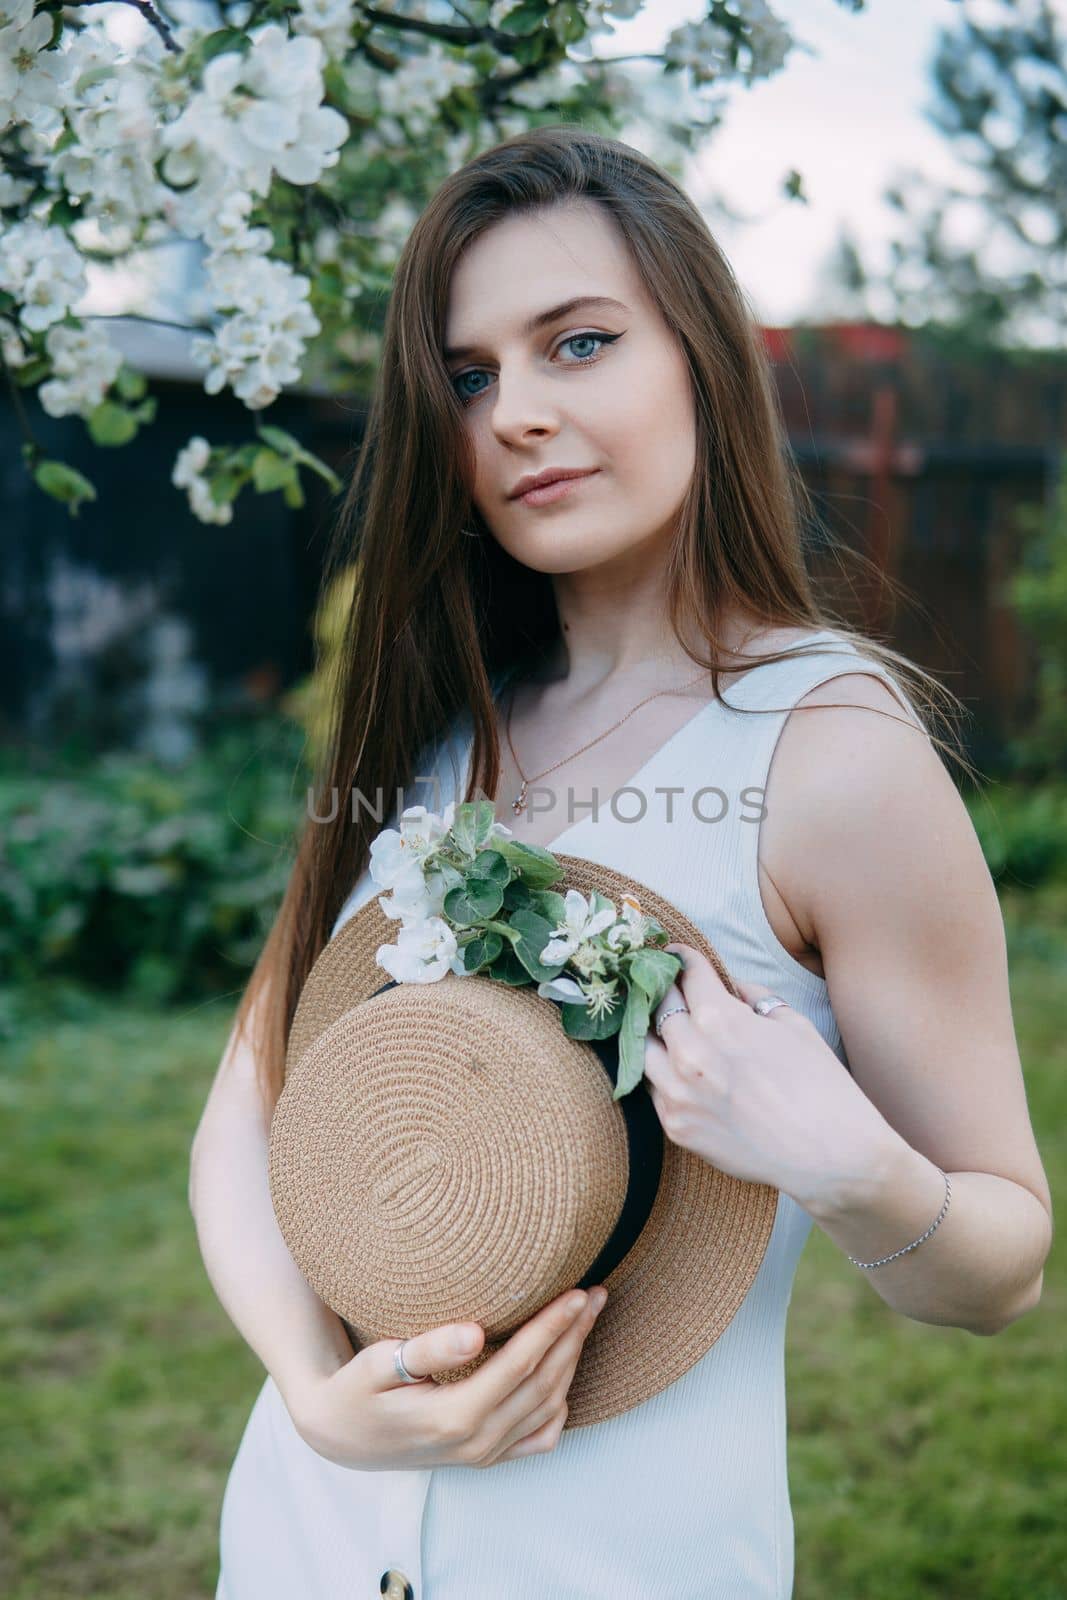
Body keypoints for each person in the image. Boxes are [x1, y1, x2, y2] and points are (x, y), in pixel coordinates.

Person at [190, 126, 1053, 1600]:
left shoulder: (830, 750)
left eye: (577, 343)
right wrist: (320, 1401)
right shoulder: (428, 714)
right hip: (304, 1534)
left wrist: (851, 1169)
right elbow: (247, 1108)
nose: (517, 412)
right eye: (468, 378)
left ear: (703, 362)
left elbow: (1003, 1264)